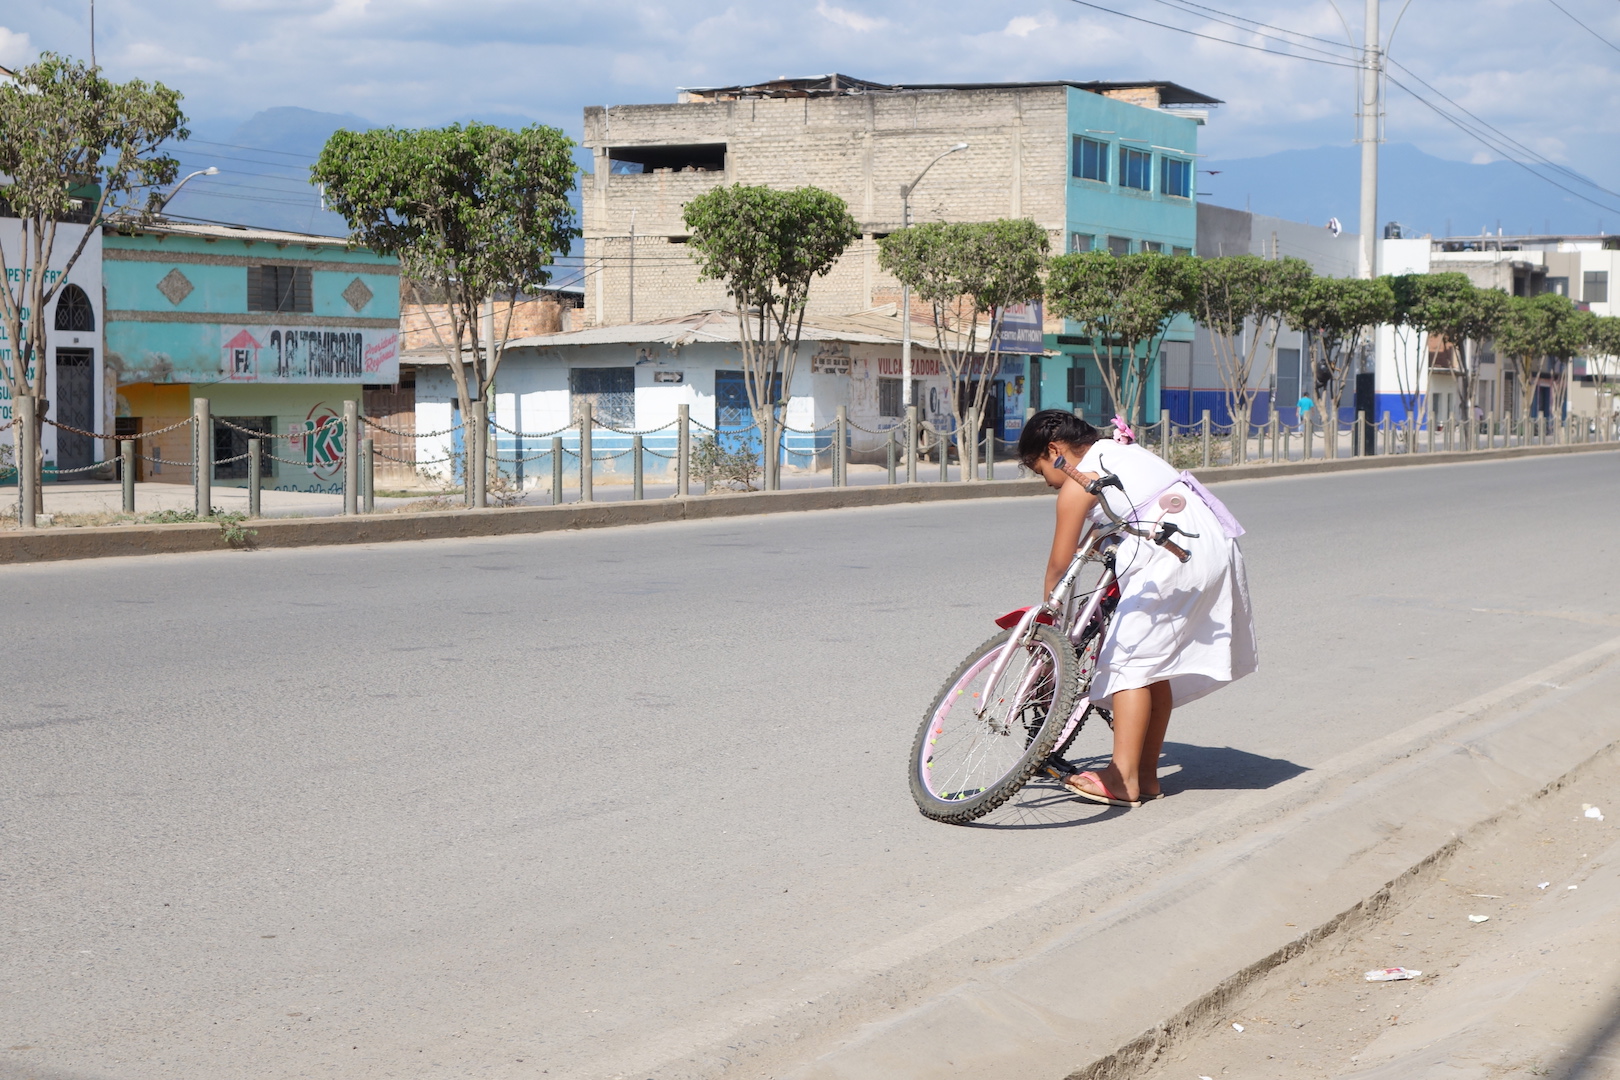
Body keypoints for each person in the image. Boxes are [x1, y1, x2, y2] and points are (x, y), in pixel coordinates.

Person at [1017, 410, 1258, 807]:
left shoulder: (1081, 480)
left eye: (1038, 467)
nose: (1044, 480)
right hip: (1208, 544)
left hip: (1173, 553)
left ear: (1054, 450)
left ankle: (1121, 777)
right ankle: (1145, 776)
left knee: (1126, 660)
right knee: (1151, 666)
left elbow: (1061, 567)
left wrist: (1050, 624)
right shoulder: (1120, 452)